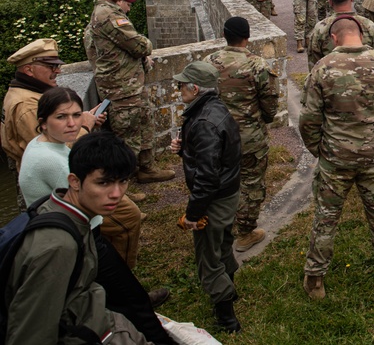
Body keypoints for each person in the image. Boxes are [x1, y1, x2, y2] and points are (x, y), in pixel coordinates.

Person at [3, 131, 153, 344]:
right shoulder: (58, 247)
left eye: (123, 181)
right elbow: (31, 335)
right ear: (74, 181)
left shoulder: (59, 208)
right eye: (103, 183)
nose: (116, 193)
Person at [299, 16, 374, 301]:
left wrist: (319, 149)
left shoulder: (322, 68)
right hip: (373, 156)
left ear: (334, 38)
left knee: (326, 217)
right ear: (362, 34)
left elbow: (309, 119)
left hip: (335, 157)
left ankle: (315, 279)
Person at [170, 62, 242, 333]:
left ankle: (227, 318)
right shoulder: (215, 109)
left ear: (195, 88)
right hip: (229, 192)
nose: (178, 90)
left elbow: (207, 176)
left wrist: (193, 214)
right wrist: (184, 148)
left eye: (181, 85)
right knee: (223, 242)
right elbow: (218, 155)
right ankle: (230, 288)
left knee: (208, 258)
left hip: (214, 198)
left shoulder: (203, 121)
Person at [89, 0, 173, 192]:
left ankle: (146, 169)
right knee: (126, 139)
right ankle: (121, 189)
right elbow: (140, 45)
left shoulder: (111, 11)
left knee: (144, 126)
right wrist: (145, 46)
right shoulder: (107, 15)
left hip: (131, 85)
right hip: (121, 89)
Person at [207, 17, 278, 253]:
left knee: (220, 180)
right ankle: (245, 233)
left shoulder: (209, 62)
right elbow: (270, 103)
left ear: (224, 35)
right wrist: (263, 119)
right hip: (249, 138)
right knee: (251, 183)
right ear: (247, 38)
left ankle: (218, 225)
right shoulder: (257, 65)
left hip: (215, 137)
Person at [2, 39, 71, 207]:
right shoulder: (28, 105)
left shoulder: (24, 93)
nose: (58, 71)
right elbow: (50, 146)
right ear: (29, 70)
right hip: (48, 186)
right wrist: (84, 126)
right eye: (51, 66)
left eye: (57, 66)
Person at [308, 0, 374, 68]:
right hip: (366, 74)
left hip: (331, 75)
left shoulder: (320, 28)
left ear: (330, 1)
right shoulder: (369, 25)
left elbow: (314, 63)